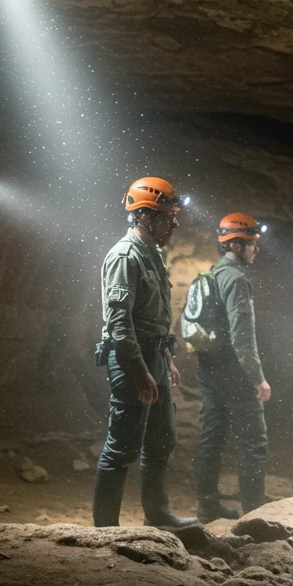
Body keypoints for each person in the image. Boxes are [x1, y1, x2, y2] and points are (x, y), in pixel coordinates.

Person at [92, 176, 198, 529]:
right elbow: (119, 323)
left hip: (154, 357)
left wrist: (165, 361)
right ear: (145, 216)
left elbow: (154, 319)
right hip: (130, 358)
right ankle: (105, 528)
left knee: (161, 440)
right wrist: (139, 371)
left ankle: (158, 514)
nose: (175, 222)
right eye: (168, 215)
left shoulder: (152, 255)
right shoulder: (125, 257)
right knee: (122, 445)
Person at [194, 213, 272, 523]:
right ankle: (253, 512)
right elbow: (243, 338)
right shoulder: (237, 280)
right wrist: (259, 379)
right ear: (237, 245)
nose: (256, 250)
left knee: (211, 437)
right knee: (253, 441)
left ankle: (207, 506)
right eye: (252, 244)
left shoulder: (211, 274)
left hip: (208, 368)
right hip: (234, 371)